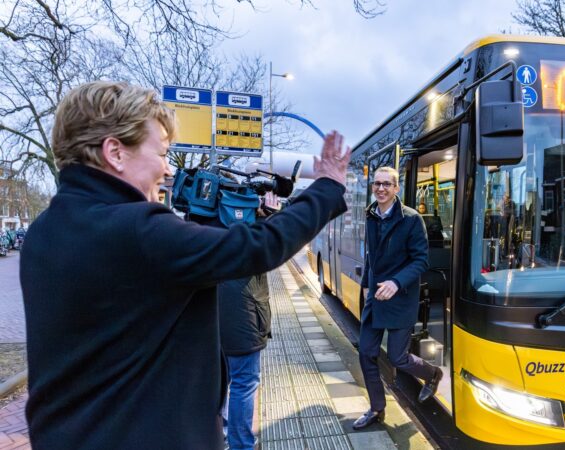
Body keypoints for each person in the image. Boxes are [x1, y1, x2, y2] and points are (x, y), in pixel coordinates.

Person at [19, 81, 350, 450]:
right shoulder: (137, 231)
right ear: (115, 152)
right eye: (161, 153)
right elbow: (257, 247)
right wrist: (326, 189)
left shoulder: (43, 233)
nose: (165, 169)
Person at [353, 167, 442, 430]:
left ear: (396, 188)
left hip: (401, 297)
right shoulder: (370, 215)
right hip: (376, 298)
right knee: (366, 353)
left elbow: (421, 260)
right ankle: (377, 409)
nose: (380, 189)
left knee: (397, 358)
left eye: (386, 185)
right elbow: (372, 256)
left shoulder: (412, 219)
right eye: (376, 184)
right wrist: (367, 287)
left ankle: (434, 374)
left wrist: (396, 282)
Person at [218, 206, 272, 450]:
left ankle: (226, 433)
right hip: (243, 318)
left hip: (210, 317)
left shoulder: (202, 220)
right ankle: (241, 444)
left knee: (220, 380)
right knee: (244, 382)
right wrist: (265, 214)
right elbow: (276, 246)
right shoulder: (250, 226)